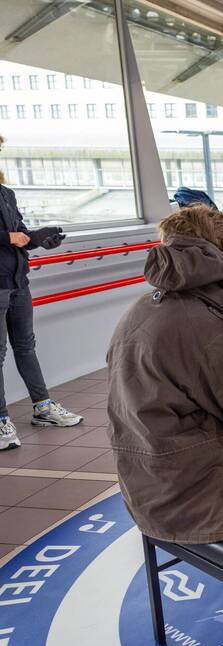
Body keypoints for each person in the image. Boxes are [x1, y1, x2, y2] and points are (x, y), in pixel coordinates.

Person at [107, 205, 223, 542]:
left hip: (151, 487)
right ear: (212, 257)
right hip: (201, 502)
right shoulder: (201, 327)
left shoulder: (147, 305)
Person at [0, 134, 83, 450]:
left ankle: (43, 407)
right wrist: (11, 238)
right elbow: (9, 237)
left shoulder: (5, 193)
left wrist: (37, 238)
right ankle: (1, 422)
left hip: (18, 282)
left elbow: (19, 234)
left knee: (25, 346)